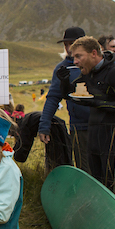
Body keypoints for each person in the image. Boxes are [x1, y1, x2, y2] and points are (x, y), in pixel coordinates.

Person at [58, 36, 115, 188]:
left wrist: (96, 103)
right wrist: (64, 82)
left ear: (94, 53)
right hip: (94, 138)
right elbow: (71, 95)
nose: (75, 61)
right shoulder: (89, 73)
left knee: (114, 184)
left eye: (78, 56)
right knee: (97, 184)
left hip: (114, 141)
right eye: (73, 57)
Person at [38, 27, 91, 170]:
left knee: (107, 168)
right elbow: (53, 97)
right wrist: (44, 125)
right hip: (79, 128)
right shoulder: (62, 69)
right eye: (66, 44)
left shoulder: (95, 64)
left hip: (104, 126)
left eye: (72, 44)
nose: (68, 48)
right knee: (85, 170)